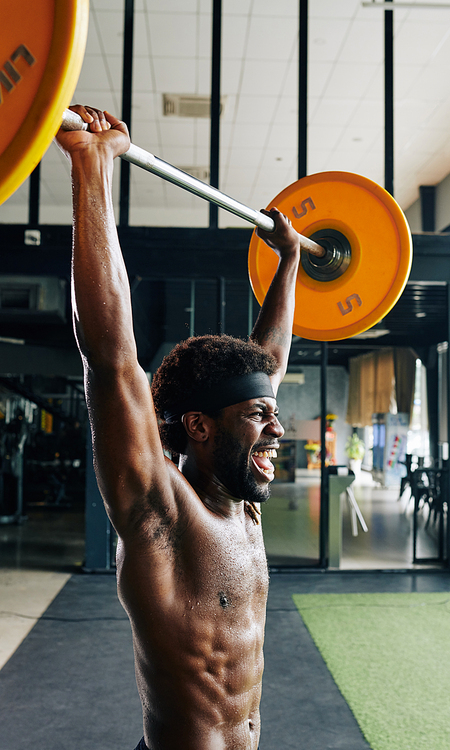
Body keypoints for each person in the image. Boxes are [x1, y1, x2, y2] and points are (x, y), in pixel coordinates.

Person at [56, 106, 301, 750]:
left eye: (271, 412)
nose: (276, 429)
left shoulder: (238, 496)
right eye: (258, 417)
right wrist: (92, 167)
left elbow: (266, 364)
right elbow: (112, 356)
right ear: (197, 425)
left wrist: (292, 262)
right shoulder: (159, 510)